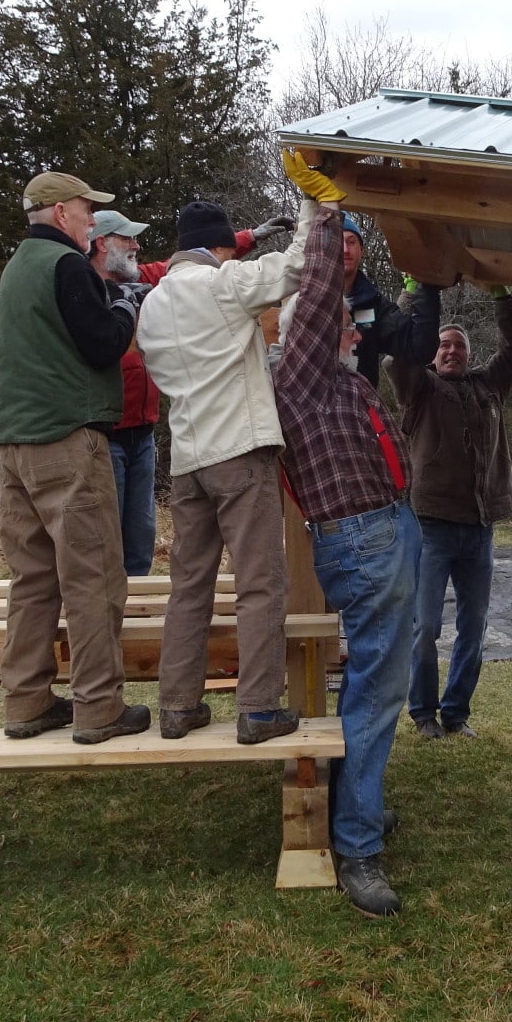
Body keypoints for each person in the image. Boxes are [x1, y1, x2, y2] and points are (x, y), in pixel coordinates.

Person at [269, 151, 421, 918]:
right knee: (372, 694)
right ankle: (356, 846)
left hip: (390, 531)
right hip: (362, 542)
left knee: (383, 684)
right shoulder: (296, 375)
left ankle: (359, 806)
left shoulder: (344, 378)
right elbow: (324, 287)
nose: (348, 326)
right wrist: (323, 213)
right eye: (337, 323)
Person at [136, 193, 317, 744]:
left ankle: (177, 706)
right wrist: (312, 208)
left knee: (188, 586)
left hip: (188, 460)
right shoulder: (222, 285)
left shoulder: (151, 304)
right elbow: (295, 266)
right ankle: (259, 709)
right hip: (239, 452)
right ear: (219, 248)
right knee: (260, 584)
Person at [0, 171, 147, 744]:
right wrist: (128, 307)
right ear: (61, 213)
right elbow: (103, 344)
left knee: (32, 580)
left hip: (13, 445)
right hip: (67, 443)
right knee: (93, 577)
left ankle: (27, 701)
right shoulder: (67, 265)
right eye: (87, 210)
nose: (91, 220)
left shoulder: (17, 268)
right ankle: (99, 707)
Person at [90, 208, 293, 579]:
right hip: (107, 431)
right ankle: (112, 624)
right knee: (105, 541)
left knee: (140, 539)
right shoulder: (84, 289)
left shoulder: (145, 283)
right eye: (127, 238)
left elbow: (190, 263)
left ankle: (136, 612)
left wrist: (247, 237)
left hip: (145, 432)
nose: (136, 245)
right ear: (102, 243)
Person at [390, 283, 512, 739]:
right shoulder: (419, 387)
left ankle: (456, 714)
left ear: (468, 354)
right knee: (425, 626)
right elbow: (398, 353)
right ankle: (423, 712)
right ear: (432, 353)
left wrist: (501, 297)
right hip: (431, 527)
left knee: (474, 626)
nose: (451, 351)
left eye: (459, 345)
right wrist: (415, 298)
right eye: (443, 344)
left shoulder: (489, 387)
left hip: (480, 530)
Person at [338, 213, 441, 387]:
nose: (345, 249)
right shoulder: (300, 297)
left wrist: (426, 282)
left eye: (351, 241)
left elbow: (419, 346)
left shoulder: (373, 306)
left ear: (361, 251)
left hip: (360, 409)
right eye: (338, 241)